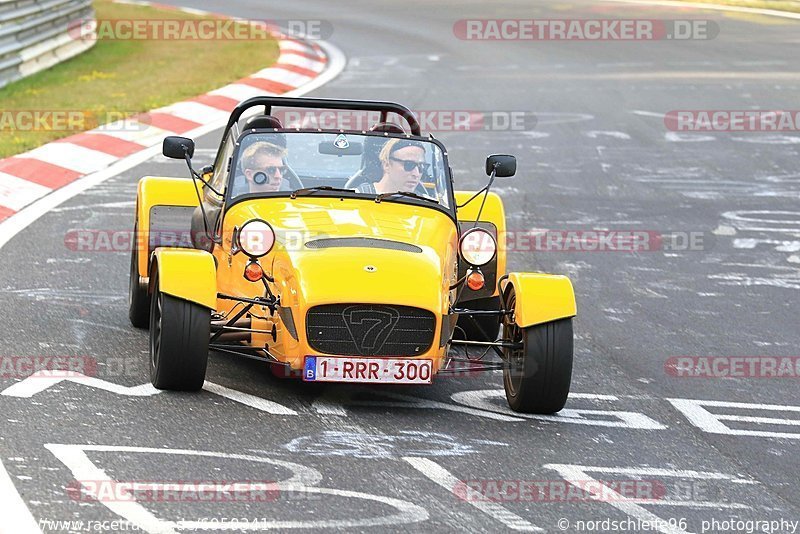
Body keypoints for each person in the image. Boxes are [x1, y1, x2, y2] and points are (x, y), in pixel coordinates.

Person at [356, 139, 429, 195]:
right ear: (386, 165)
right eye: (409, 164)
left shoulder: (428, 205)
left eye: (421, 166)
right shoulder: (356, 197)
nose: (416, 174)